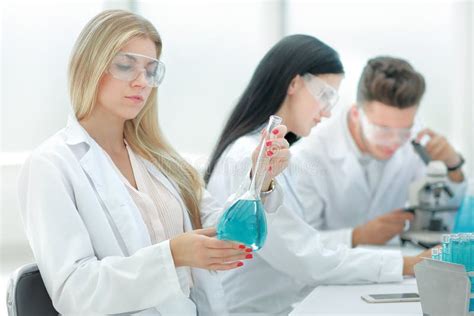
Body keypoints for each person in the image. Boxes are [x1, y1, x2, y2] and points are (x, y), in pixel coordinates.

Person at [17, 10, 289, 315]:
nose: (141, 81)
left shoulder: (160, 160)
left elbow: (222, 232)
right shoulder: (51, 165)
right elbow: (75, 293)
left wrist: (260, 179)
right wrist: (171, 256)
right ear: (89, 66)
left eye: (151, 70)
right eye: (125, 65)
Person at [206, 35, 428, 315]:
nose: (326, 112)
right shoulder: (247, 156)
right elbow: (303, 256)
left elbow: (305, 243)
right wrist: (406, 264)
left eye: (333, 100)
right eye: (324, 95)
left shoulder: (273, 155)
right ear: (294, 84)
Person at [290, 56, 466, 249]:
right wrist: (356, 237)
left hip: (394, 269)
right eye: (383, 130)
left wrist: (453, 166)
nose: (394, 142)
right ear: (357, 114)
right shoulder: (309, 157)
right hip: (326, 277)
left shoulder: (413, 142)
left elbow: (449, 217)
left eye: (404, 130)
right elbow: (298, 245)